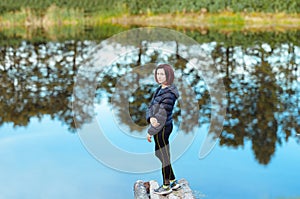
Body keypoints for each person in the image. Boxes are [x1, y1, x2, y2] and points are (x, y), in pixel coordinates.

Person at [146, 64, 181, 195]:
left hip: (163, 127)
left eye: (162, 74)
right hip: (158, 126)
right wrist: (150, 117)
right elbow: (150, 107)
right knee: (160, 154)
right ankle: (173, 181)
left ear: (169, 76)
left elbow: (162, 113)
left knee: (164, 156)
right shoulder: (159, 89)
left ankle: (166, 186)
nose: (159, 76)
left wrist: (151, 130)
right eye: (158, 74)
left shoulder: (170, 93)